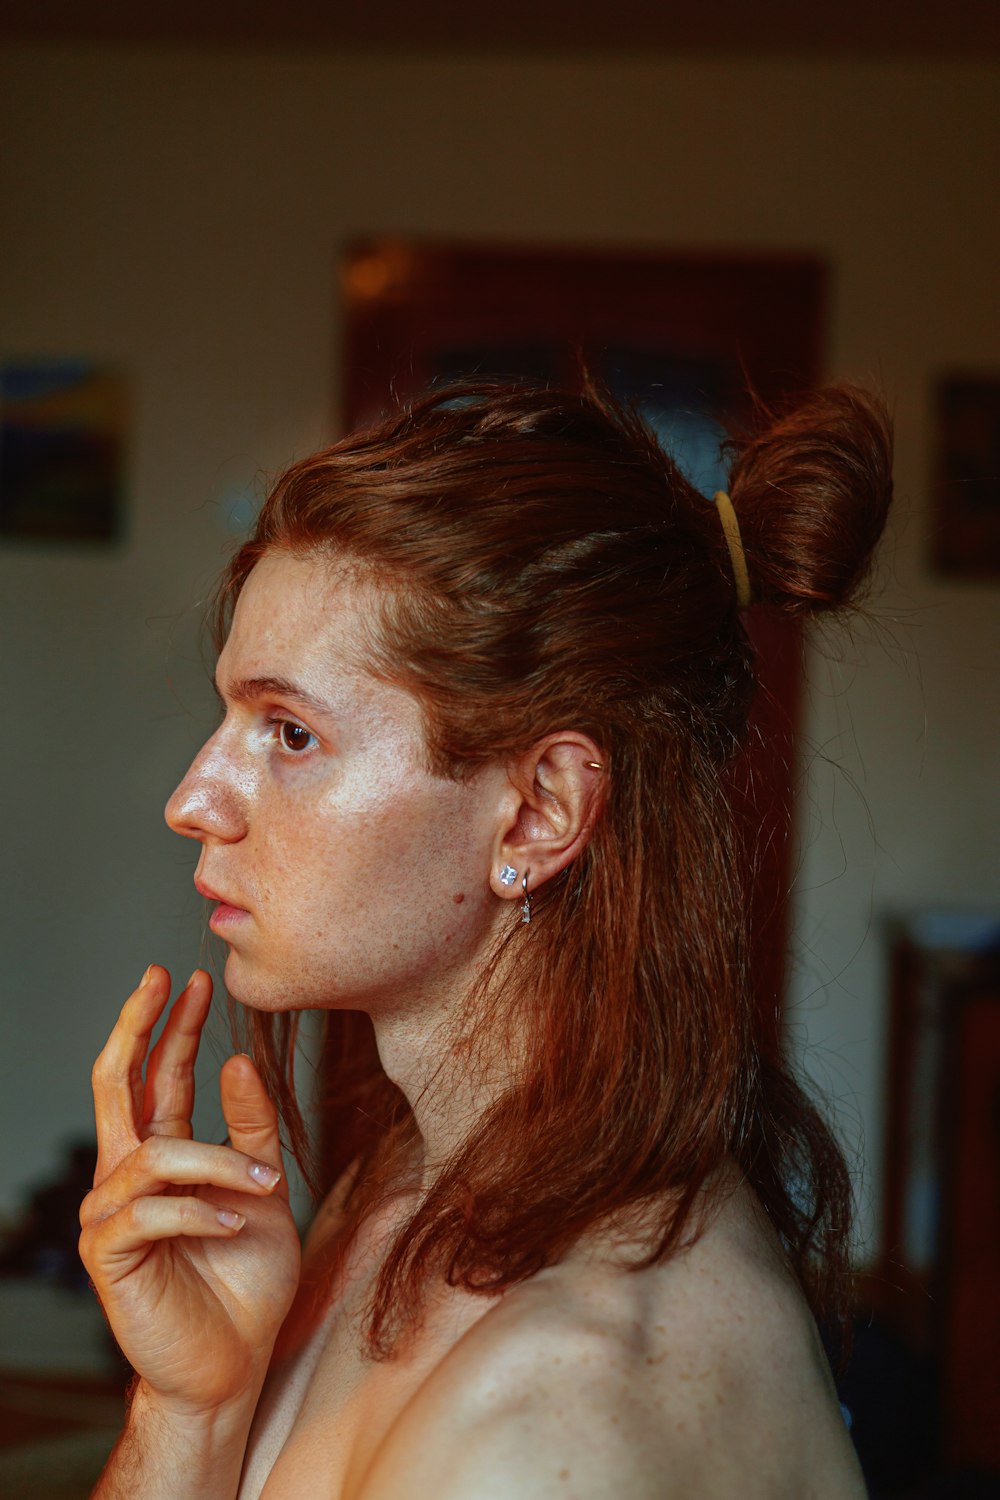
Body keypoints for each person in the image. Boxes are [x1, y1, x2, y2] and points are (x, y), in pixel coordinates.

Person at [79, 376, 891, 1499]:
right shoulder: (409, 1184)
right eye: (230, 718)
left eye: (291, 732)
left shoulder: (552, 1419)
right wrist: (193, 1410)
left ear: (538, 811)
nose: (194, 798)